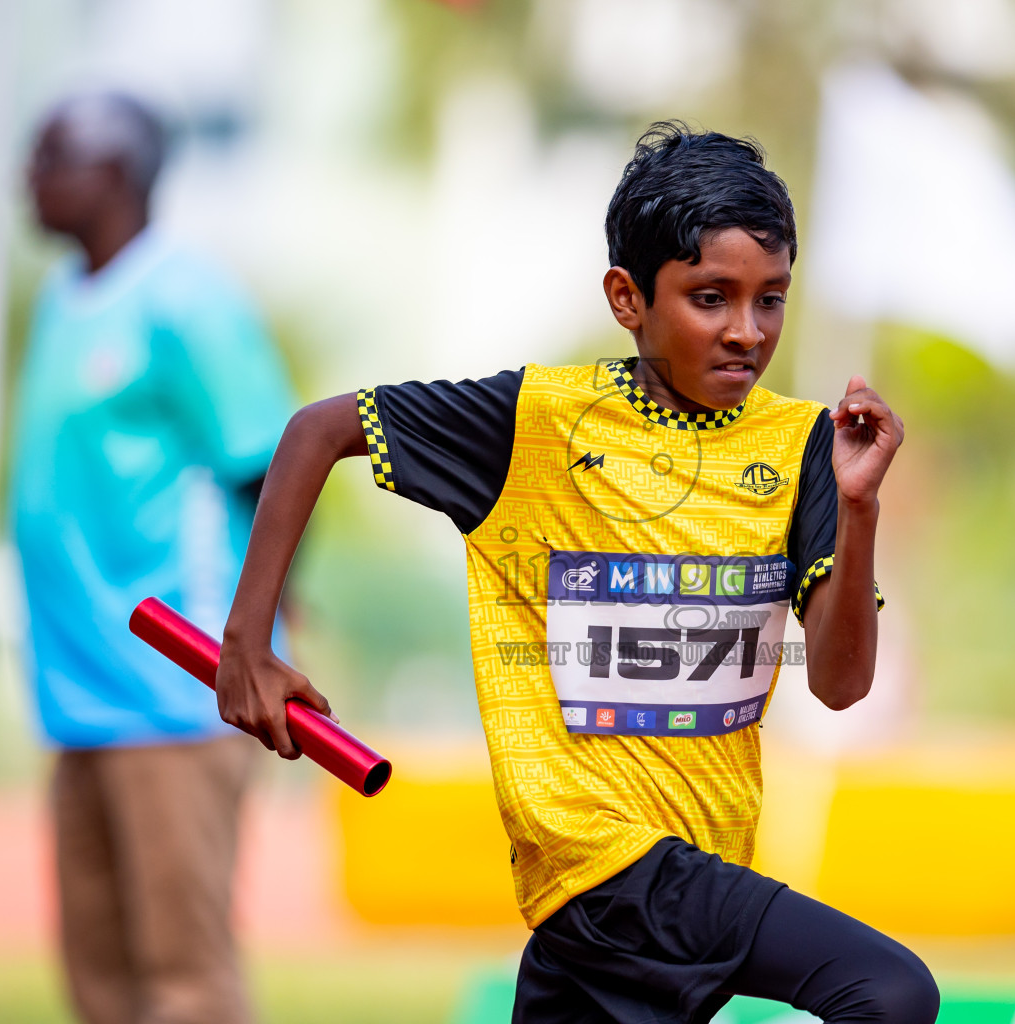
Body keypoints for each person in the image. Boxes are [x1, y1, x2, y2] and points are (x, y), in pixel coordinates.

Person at [215, 122, 939, 1024]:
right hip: (600, 862)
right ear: (628, 298)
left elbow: (838, 685)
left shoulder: (804, 448)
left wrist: (861, 506)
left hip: (679, 872)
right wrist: (247, 640)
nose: (747, 332)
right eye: (710, 298)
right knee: (890, 994)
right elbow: (320, 430)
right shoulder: (536, 421)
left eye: (771, 301)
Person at [9, 92, 295, 1024]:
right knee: (99, 975)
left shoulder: (186, 297)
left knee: (182, 971)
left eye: (51, 154)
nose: (29, 175)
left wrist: (257, 636)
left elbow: (269, 461)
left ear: (115, 172)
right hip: (77, 686)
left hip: (177, 687)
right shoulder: (63, 298)